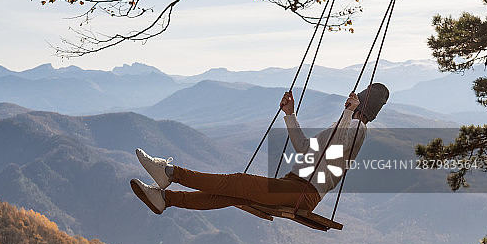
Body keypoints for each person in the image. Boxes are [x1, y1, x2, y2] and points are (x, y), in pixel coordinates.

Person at [130, 83, 389, 215]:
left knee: (237, 182)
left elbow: (339, 144)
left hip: (304, 192)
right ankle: (166, 199)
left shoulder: (357, 130)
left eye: (356, 102)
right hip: (294, 185)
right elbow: (305, 149)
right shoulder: (344, 125)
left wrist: (347, 113)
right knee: (233, 194)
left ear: (361, 106)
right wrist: (290, 115)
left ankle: (171, 173)